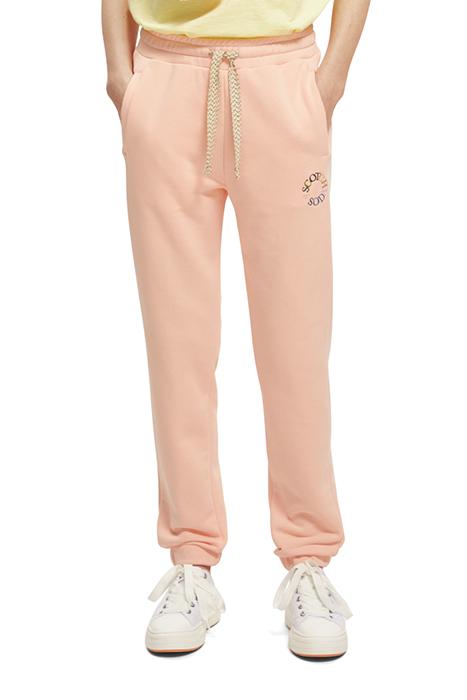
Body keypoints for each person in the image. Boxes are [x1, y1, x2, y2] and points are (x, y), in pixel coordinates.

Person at [102, 0, 370, 659]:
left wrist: (331, 78)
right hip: (165, 79)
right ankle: (191, 560)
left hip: (283, 82)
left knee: (296, 342)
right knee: (177, 345)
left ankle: (307, 558)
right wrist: (120, 78)